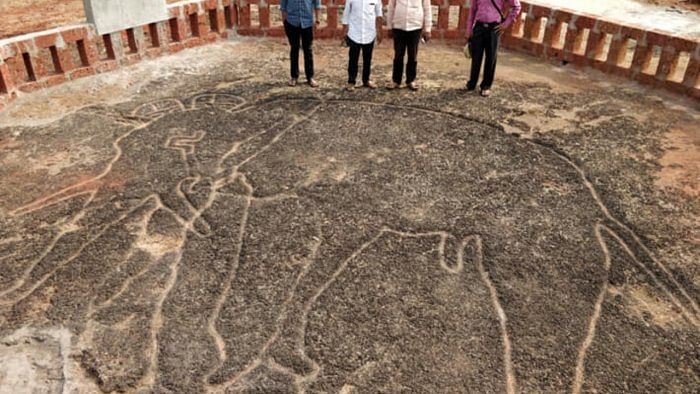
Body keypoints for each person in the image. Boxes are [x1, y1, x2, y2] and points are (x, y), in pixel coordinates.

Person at [465, 0, 521, 96]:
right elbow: (473, 10)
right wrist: (469, 29)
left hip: (494, 28)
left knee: (491, 58)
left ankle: (486, 86)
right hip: (479, 26)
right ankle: (472, 83)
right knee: (476, 57)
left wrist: (506, 24)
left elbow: (516, 7)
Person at [386, 0, 432, 91]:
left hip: (415, 26)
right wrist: (389, 26)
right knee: (398, 55)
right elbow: (391, 7)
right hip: (398, 27)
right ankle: (396, 80)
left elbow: (427, 9)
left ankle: (410, 80)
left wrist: (427, 29)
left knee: (412, 55)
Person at [341, 0, 384, 91]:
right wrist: (344, 30)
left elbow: (379, 15)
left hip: (370, 32)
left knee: (367, 58)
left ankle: (366, 80)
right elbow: (346, 13)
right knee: (353, 59)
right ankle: (351, 81)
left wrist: (380, 31)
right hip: (354, 32)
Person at [281, 0, 322, 87]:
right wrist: (285, 23)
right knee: (294, 49)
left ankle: (310, 77)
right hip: (291, 22)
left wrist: (317, 20)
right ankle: (294, 76)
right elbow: (283, 6)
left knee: (308, 50)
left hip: (307, 23)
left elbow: (317, 4)